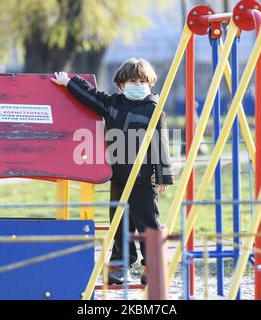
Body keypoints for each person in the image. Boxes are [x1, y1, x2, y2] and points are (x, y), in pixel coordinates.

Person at [51, 58, 174, 285]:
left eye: (141, 81)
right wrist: (68, 82)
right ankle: (121, 263)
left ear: (149, 83)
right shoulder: (113, 104)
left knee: (147, 222)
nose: (137, 85)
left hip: (143, 179)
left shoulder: (153, 110)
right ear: (121, 84)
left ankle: (154, 265)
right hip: (118, 176)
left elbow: (161, 144)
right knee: (120, 220)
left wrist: (163, 175)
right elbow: (91, 96)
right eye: (131, 81)